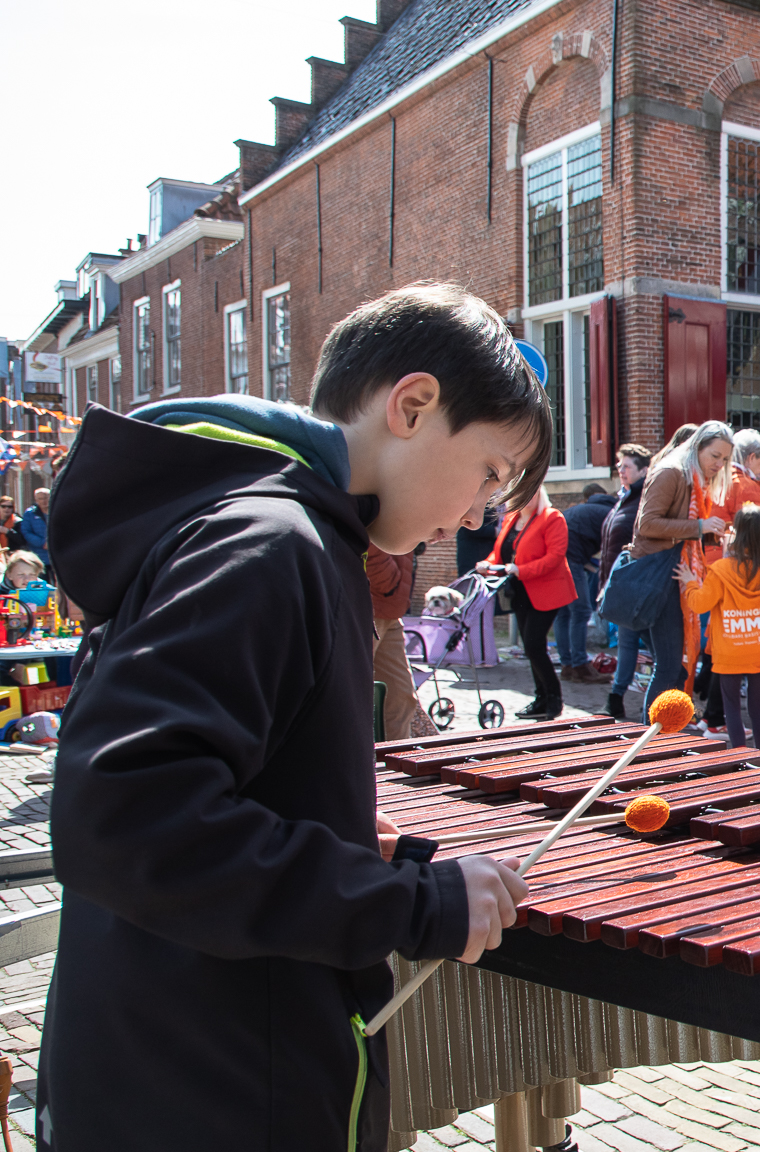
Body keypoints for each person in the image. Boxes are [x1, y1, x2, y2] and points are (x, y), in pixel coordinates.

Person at [44, 282, 535, 1149]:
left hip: (195, 1065)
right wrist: (406, 905)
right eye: (489, 473)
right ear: (413, 406)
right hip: (210, 1091)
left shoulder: (287, 536)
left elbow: (207, 786)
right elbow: (123, 818)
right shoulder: (270, 546)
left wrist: (331, 829)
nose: (476, 513)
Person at [628, 422, 732, 723]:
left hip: (674, 577)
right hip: (661, 579)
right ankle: (652, 744)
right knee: (670, 665)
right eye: (715, 456)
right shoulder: (672, 472)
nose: (719, 464)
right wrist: (699, 527)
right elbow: (646, 525)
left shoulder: (690, 478)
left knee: (674, 665)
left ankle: (661, 741)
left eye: (724, 459)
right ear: (697, 447)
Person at [682, 503, 760, 750]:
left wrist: (689, 583)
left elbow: (699, 604)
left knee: (732, 710)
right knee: (757, 709)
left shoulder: (720, 570)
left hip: (729, 650)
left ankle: (740, 757)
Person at [480, 486, 576, 720]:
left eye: (532, 492)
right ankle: (541, 698)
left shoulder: (551, 517)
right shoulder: (511, 519)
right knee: (530, 647)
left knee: (534, 645)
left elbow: (555, 557)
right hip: (520, 591)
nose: (527, 496)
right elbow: (500, 553)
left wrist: (521, 569)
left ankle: (554, 698)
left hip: (547, 590)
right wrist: (487, 564)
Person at [600, 442, 654, 719]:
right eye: (619, 466)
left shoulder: (643, 498)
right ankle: (616, 697)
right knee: (628, 641)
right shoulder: (625, 496)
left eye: (627, 466)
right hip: (622, 584)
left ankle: (626, 698)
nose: (621, 470)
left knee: (646, 643)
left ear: (643, 470)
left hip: (636, 583)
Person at [558, 481, 615, 683]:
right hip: (572, 558)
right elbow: (611, 551)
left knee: (564, 612)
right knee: (580, 611)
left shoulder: (581, 509)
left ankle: (567, 665)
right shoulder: (612, 512)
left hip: (558, 556)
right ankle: (580, 666)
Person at [366, 543, 422, 739]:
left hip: (391, 609)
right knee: (349, 694)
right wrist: (389, 582)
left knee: (400, 696)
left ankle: (395, 763)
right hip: (371, 604)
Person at [21, 487, 50, 568]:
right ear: (36, 500)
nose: (44, 501)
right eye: (40, 499)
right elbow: (26, 532)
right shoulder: (30, 513)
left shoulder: (57, 511)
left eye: (46, 498)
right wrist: (42, 543)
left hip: (56, 553)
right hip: (38, 554)